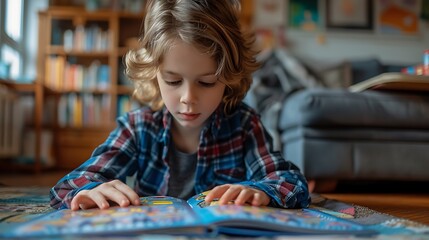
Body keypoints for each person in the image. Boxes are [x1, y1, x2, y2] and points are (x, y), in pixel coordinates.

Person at [50, 0, 310, 211]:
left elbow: (291, 183)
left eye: (207, 82)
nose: (188, 97)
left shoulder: (243, 125)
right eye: (173, 81)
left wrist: (260, 190)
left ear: (229, 78)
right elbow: (66, 186)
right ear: (154, 73)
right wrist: (89, 189)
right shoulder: (137, 128)